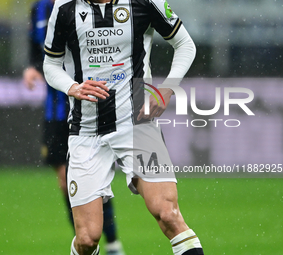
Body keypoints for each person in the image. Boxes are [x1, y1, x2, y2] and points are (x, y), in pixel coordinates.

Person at [43, 0, 205, 254]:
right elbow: (50, 64)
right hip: (86, 131)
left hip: (138, 125)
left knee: (168, 215)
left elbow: (184, 44)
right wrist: (72, 87)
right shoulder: (64, 8)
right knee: (87, 238)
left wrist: (167, 88)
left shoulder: (145, 2)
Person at [23, 1, 125, 254]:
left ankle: (112, 242)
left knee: (94, 179)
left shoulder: (87, 6)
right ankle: (85, 242)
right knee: (65, 179)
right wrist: (33, 69)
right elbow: (38, 52)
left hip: (90, 107)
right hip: (56, 110)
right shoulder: (40, 8)